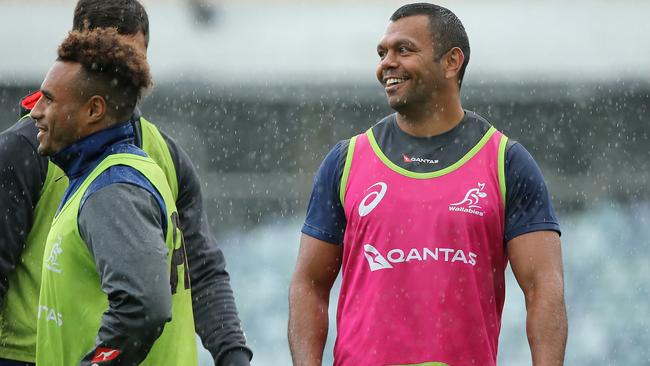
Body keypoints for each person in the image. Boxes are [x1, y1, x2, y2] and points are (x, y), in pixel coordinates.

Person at [288, 3, 567, 366]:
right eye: (382, 53)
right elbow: (308, 284)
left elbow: (543, 289)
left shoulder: (506, 163)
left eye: (403, 50)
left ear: (452, 62)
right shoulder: (346, 161)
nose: (386, 63)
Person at [0, 1, 251, 365]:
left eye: (129, 61)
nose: (120, 74)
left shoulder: (163, 156)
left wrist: (232, 354)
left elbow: (200, 271)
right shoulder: (24, 151)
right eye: (103, 62)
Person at [31, 27, 195, 365]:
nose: (36, 111)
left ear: (94, 110)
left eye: (49, 99)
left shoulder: (113, 187)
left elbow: (144, 307)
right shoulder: (107, 173)